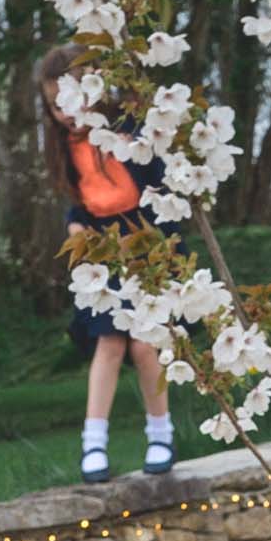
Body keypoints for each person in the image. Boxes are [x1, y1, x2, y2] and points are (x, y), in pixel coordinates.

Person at [37, 40, 177, 483]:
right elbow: (80, 201)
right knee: (109, 342)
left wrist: (156, 240)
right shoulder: (64, 146)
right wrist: (75, 226)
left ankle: (161, 434)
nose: (65, 113)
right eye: (55, 106)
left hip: (147, 236)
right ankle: (93, 443)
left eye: (72, 100)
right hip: (102, 249)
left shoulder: (127, 126)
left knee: (144, 342)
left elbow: (161, 183)